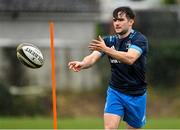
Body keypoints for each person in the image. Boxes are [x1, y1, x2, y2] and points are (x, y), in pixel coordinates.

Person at [68, 6, 148, 130]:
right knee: (109, 128)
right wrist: (83, 63)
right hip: (116, 91)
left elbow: (130, 58)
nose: (117, 23)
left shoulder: (139, 39)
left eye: (121, 20)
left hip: (136, 94)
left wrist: (106, 49)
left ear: (131, 21)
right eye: (115, 20)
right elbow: (92, 57)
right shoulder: (109, 41)